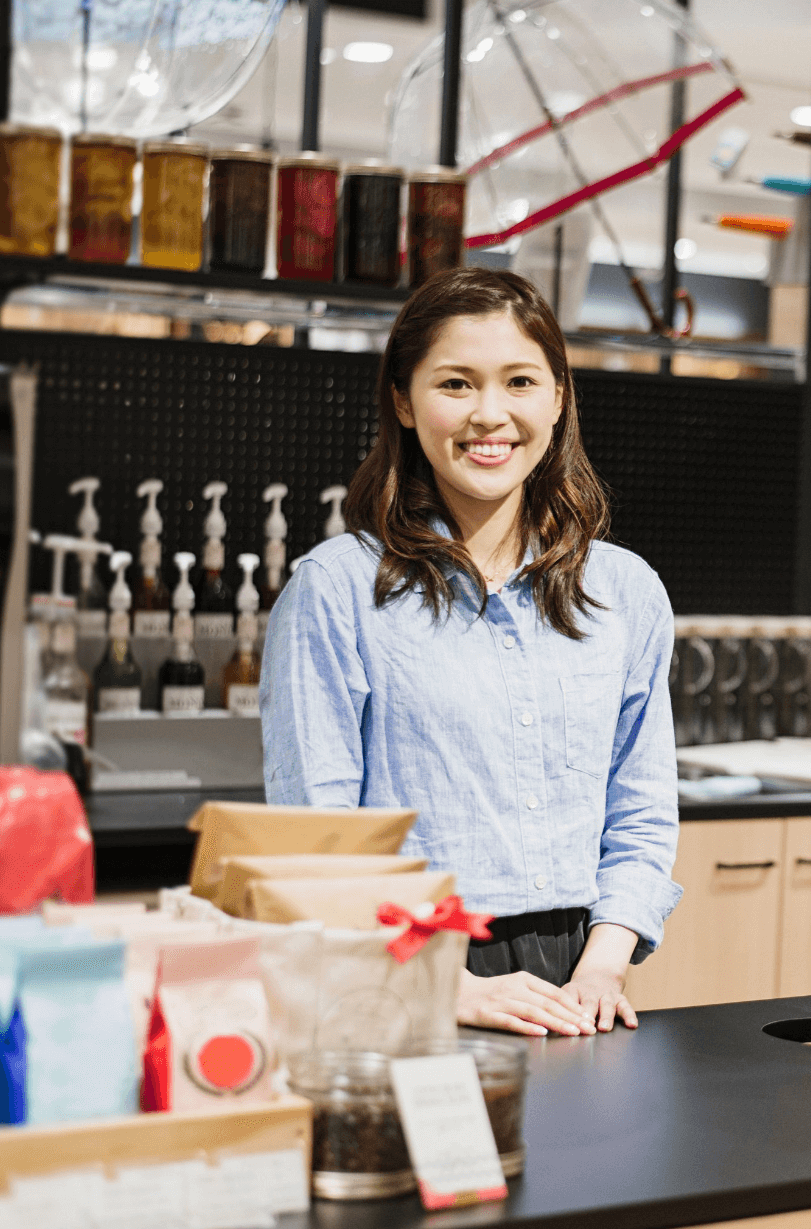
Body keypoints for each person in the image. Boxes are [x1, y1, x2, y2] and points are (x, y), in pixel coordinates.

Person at [262, 267, 681, 1037]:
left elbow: (642, 812)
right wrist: (442, 987)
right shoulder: (337, 589)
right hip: (401, 978)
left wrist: (603, 963)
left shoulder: (625, 591)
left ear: (558, 397)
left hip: (577, 983)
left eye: (520, 381)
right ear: (403, 400)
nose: (491, 415)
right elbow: (317, 841)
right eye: (455, 384)